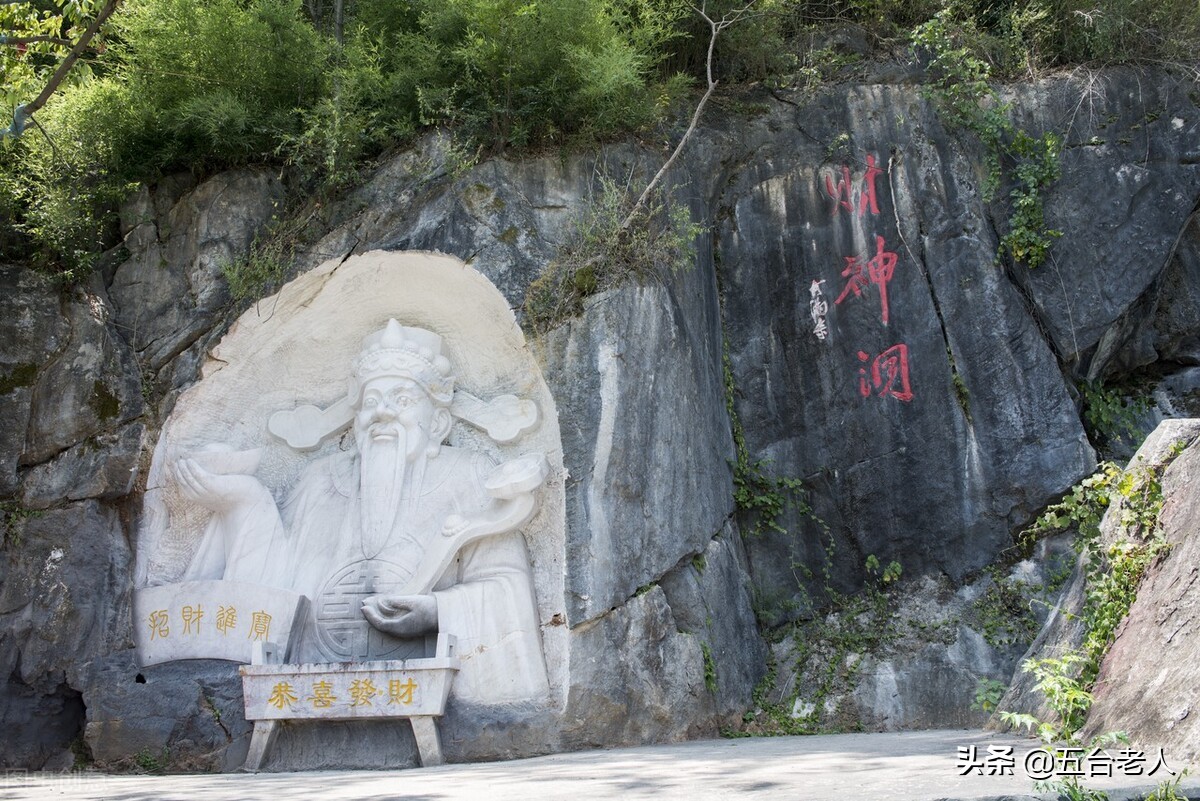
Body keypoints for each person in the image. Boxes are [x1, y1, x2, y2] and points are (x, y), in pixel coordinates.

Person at [173, 320, 550, 704]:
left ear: (437, 422)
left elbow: (506, 587)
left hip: (423, 675)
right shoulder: (320, 479)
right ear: (355, 424)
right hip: (316, 675)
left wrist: (437, 610)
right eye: (370, 402)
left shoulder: (470, 474)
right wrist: (244, 501)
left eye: (402, 401)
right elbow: (276, 584)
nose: (381, 413)